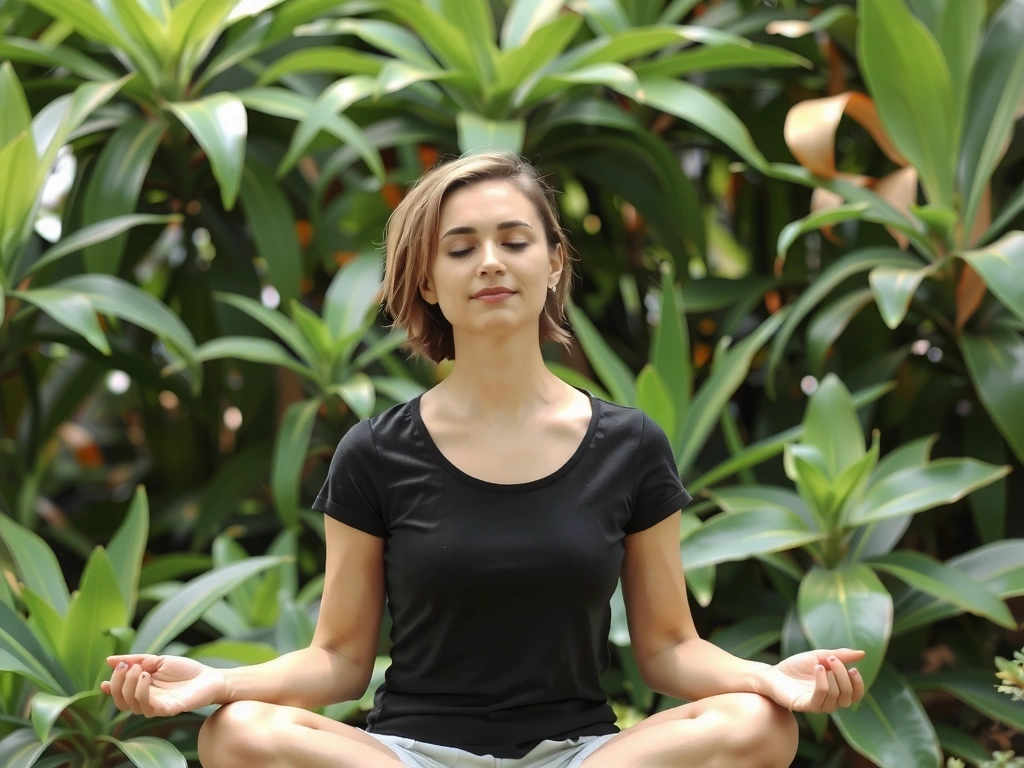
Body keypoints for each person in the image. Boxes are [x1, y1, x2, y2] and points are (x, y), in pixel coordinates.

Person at [101, 150, 866, 768]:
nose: (491, 263)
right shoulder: (376, 453)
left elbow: (668, 648)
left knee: (760, 727)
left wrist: (768, 680)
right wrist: (217, 683)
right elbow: (337, 659)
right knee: (234, 736)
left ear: (555, 263)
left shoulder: (630, 447)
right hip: (407, 758)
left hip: (580, 760)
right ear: (429, 281)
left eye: (514, 240)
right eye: (461, 248)